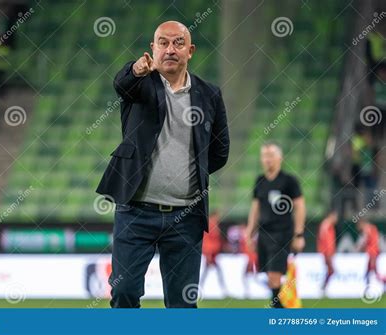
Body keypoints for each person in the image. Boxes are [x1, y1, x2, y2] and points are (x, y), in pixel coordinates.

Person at [96, 21, 230, 308]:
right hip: (136, 212)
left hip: (186, 217)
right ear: (152, 49)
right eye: (163, 43)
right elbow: (122, 83)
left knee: (183, 304)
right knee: (124, 293)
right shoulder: (140, 86)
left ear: (190, 50)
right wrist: (136, 70)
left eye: (178, 43)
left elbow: (219, 152)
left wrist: (187, 178)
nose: (170, 49)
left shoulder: (209, 95)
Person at [245, 142, 306, 308]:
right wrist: (250, 232)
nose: (267, 159)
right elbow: (255, 208)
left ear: (280, 158)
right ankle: (280, 308)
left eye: (271, 155)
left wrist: (299, 234)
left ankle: (277, 311)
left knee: (274, 274)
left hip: (282, 233)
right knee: (270, 275)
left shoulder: (289, 181)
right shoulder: (260, 181)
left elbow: (300, 206)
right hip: (264, 234)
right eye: (264, 156)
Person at [200, 210, 228, 297]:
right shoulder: (210, 224)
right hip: (210, 252)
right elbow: (207, 240)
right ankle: (198, 288)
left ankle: (198, 288)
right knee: (211, 271)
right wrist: (208, 253)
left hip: (213, 252)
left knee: (210, 271)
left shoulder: (215, 224)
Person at [356, 218, 385, 286]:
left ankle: (383, 281)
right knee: (369, 268)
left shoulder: (367, 228)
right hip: (374, 251)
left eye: (359, 225)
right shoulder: (372, 227)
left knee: (373, 268)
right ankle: (367, 284)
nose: (358, 228)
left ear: (361, 223)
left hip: (373, 252)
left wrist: (359, 248)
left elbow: (365, 239)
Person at [317, 210, 338, 293]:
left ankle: (324, 286)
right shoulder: (326, 225)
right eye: (335, 217)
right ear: (331, 216)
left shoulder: (329, 226)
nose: (336, 219)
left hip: (328, 252)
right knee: (331, 269)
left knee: (330, 270)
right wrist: (328, 252)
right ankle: (323, 286)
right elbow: (325, 240)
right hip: (326, 252)